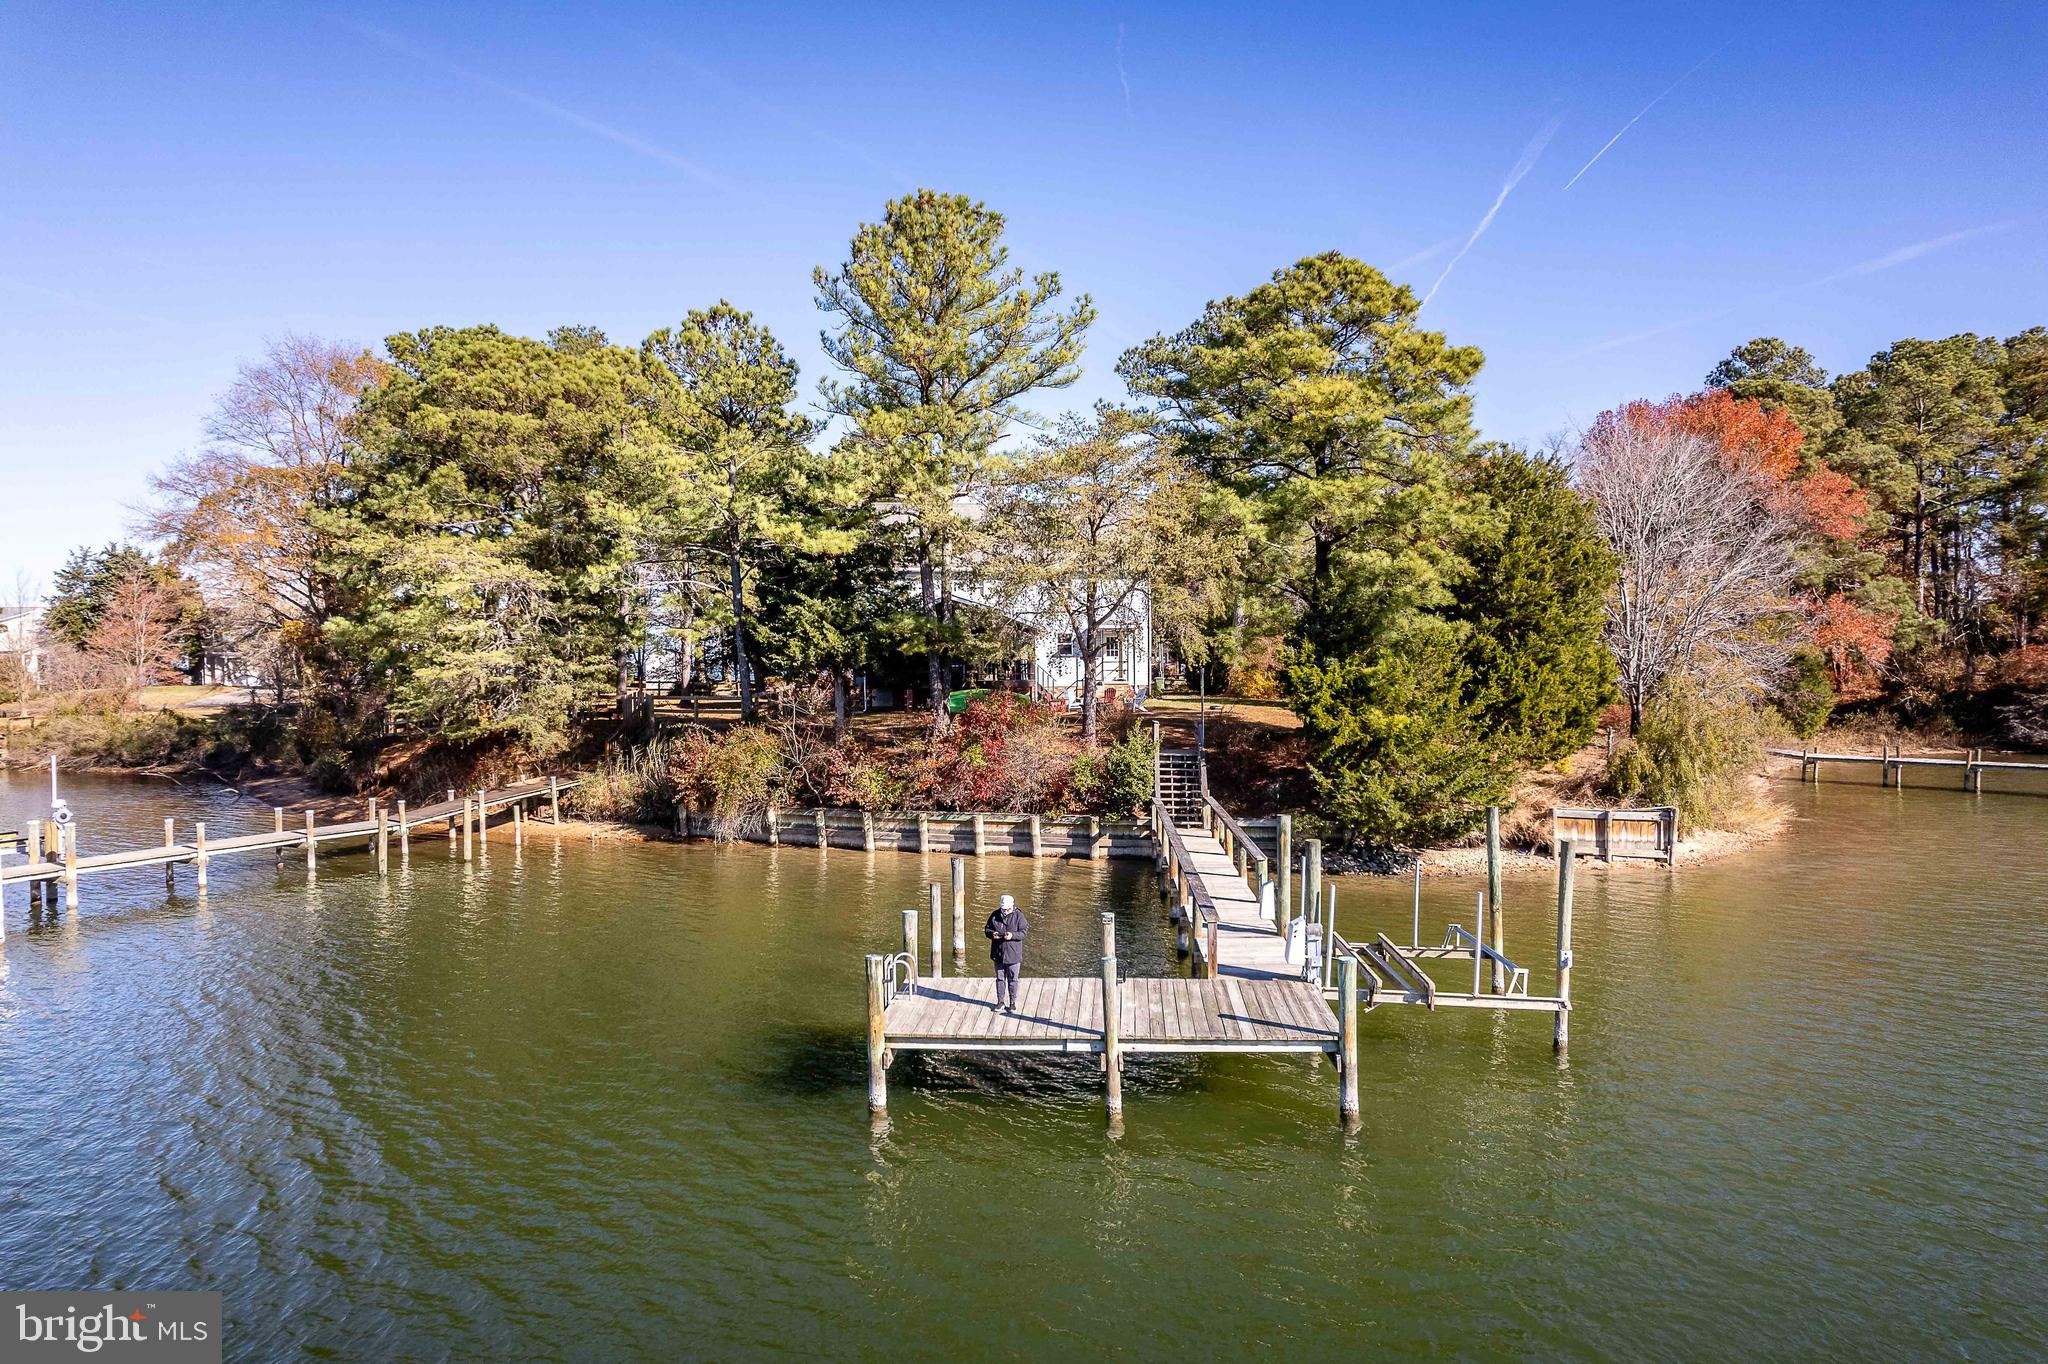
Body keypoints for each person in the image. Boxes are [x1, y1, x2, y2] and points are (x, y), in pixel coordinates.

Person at [983, 893, 1028, 1013]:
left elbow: (1024, 932)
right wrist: (992, 934)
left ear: (1012, 906)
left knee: (1013, 979)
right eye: (1003, 909)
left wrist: (1013, 935)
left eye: (1007, 909)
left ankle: (1012, 1003)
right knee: (1000, 979)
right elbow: (987, 929)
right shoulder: (994, 915)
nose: (1004, 911)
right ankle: (1000, 1002)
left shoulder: (1019, 916)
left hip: (1013, 954)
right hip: (998, 954)